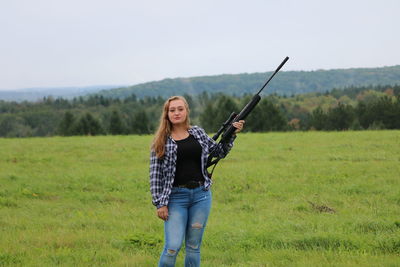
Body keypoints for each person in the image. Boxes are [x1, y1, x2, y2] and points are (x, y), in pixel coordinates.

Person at [149, 96, 244, 267]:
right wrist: (159, 204)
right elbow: (155, 175)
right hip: (175, 198)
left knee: (193, 246)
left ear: (186, 111)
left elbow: (218, 151)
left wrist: (231, 135)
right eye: (172, 110)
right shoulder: (161, 141)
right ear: (167, 114)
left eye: (180, 109)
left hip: (201, 196)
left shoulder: (198, 133)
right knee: (172, 246)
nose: (177, 113)